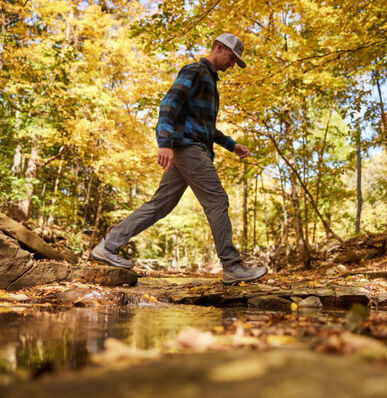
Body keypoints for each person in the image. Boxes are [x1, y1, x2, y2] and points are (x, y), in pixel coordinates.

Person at [92, 33, 267, 284]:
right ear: (219, 48)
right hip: (187, 149)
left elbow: (204, 127)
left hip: (190, 147)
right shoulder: (196, 71)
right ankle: (232, 266)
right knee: (217, 199)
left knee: (160, 204)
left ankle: (108, 246)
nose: (232, 64)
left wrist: (231, 145)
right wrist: (164, 144)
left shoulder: (209, 80)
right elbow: (169, 104)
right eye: (231, 57)